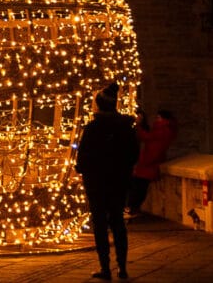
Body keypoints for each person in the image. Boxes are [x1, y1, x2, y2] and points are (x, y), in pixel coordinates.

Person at [76, 82, 138, 281]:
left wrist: (84, 170)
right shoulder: (126, 127)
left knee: (101, 225)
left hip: (97, 183)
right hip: (118, 181)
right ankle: (122, 267)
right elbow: (133, 154)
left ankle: (105, 267)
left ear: (99, 105)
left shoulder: (93, 128)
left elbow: (83, 156)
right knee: (118, 222)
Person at [127, 109, 175, 216]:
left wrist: (138, 127)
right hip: (149, 163)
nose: (156, 120)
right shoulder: (164, 129)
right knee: (139, 187)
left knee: (139, 187)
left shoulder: (162, 129)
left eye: (158, 118)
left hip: (148, 163)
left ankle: (133, 207)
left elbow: (147, 137)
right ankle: (134, 207)